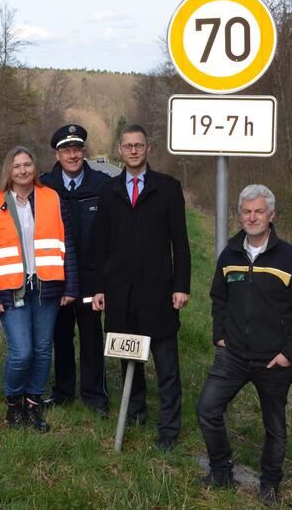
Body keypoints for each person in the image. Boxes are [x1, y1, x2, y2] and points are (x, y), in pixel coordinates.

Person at [195, 184, 292, 505]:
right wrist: (219, 334)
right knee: (207, 409)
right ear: (240, 215)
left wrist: (289, 354)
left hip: (273, 360)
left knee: (274, 425)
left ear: (271, 215)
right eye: (247, 212)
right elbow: (218, 297)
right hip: (232, 354)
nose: (252, 217)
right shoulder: (230, 254)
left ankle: (270, 483)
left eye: (259, 211)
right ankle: (221, 472)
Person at [91, 124, 190, 452]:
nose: (133, 151)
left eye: (139, 145)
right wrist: (99, 288)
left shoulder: (168, 188)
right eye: (128, 146)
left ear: (148, 148)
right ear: (120, 150)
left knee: (166, 366)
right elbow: (100, 244)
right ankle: (135, 414)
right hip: (120, 294)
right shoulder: (109, 191)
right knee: (128, 360)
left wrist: (182, 285)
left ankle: (169, 429)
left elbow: (181, 242)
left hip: (158, 293)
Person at [0, 146, 78, 432]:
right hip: (12, 291)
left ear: (35, 167)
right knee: (22, 351)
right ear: (8, 170)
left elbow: (66, 243)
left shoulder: (51, 198)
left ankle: (33, 403)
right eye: (16, 165)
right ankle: (13, 402)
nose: (22, 170)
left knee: (43, 349)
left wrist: (71, 285)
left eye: (27, 164)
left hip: (47, 287)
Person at [38, 124, 109, 417]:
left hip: (92, 278)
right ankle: (64, 392)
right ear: (57, 154)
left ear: (84, 152)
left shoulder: (102, 185)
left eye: (77, 149)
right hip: (57, 277)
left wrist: (106, 281)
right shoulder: (44, 187)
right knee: (61, 337)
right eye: (66, 150)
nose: (72, 155)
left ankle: (94, 395)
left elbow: (111, 236)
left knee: (92, 338)